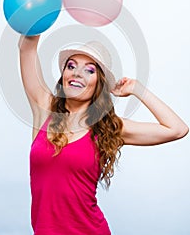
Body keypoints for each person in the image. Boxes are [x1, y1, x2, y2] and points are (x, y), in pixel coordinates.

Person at [18, 35, 188, 235]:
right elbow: (26, 48)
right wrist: (38, 15)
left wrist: (136, 88)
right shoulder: (45, 110)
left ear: (99, 83)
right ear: (63, 75)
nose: (77, 73)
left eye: (89, 70)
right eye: (71, 66)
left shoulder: (109, 127)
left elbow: (177, 129)